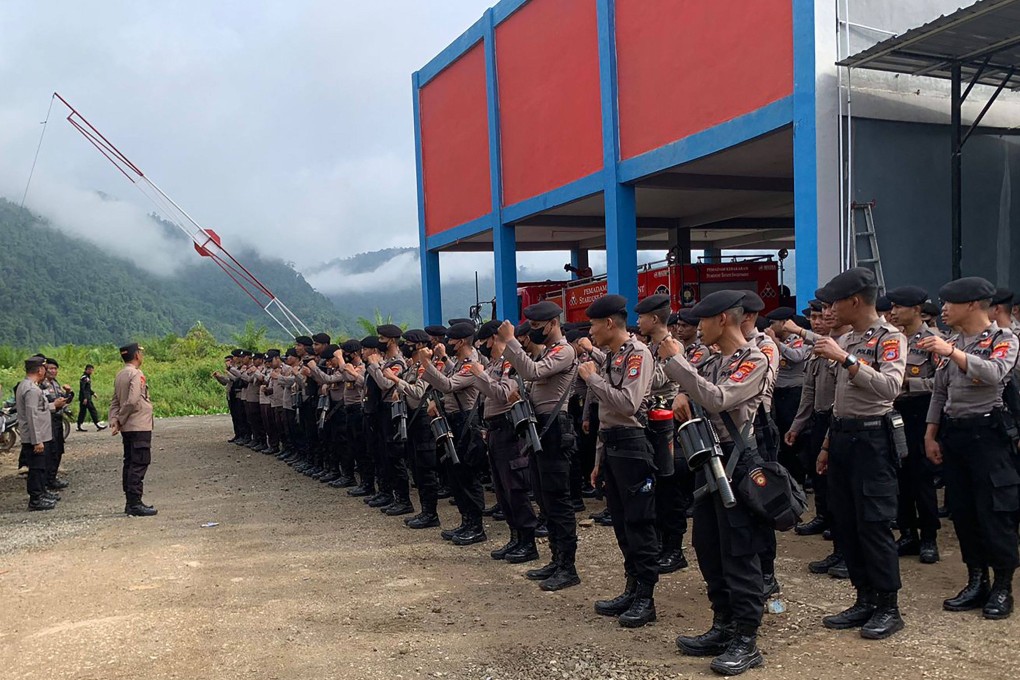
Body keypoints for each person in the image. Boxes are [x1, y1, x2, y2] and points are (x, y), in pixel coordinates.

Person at [660, 290, 770, 675]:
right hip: (708, 460)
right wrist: (680, 392)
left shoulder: (755, 358)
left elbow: (719, 398)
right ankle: (722, 623)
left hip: (737, 464)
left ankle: (746, 637)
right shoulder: (709, 360)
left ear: (722, 319)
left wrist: (676, 361)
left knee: (739, 551)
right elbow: (692, 390)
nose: (697, 328)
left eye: (703, 321)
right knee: (707, 546)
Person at [813, 267, 907, 640]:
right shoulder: (848, 338)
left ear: (854, 301)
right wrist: (826, 445)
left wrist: (847, 360)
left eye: (834, 302)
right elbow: (840, 402)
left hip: (873, 440)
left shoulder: (890, 338)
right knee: (847, 522)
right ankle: (864, 598)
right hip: (843, 438)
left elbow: (889, 387)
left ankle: (888, 606)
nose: (830, 309)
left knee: (873, 522)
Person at [923, 277, 1019, 620]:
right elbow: (939, 392)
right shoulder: (950, 342)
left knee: (995, 512)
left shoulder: (1003, 339)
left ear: (974, 304)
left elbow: (994, 373)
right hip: (956, 436)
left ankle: (1002, 585)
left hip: (989, 437)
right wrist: (930, 434)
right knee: (964, 513)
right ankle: (976, 580)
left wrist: (953, 352)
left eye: (951, 303)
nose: (944, 308)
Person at [579, 294, 657, 627]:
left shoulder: (637, 354)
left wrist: (591, 378)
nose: (591, 332)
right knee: (623, 525)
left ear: (610, 323)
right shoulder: (614, 356)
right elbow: (606, 414)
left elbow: (627, 403)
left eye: (594, 325)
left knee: (639, 523)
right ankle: (631, 586)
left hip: (633, 446)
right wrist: (598, 460)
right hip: (612, 446)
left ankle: (646, 597)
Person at [498, 301, 580, 591]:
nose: (532, 332)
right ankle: (556, 560)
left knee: (558, 500)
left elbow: (532, 371)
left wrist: (509, 341)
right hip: (538, 427)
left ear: (552, 324)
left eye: (536, 327)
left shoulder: (564, 351)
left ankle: (568, 567)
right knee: (544, 498)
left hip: (555, 428)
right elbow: (532, 380)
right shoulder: (548, 352)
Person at [469, 320, 540, 562]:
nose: (481, 347)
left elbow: (504, 395)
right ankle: (515, 538)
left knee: (515, 487)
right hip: (494, 431)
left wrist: (480, 376)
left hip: (510, 429)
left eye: (483, 342)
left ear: (492, 339)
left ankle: (528, 542)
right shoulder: (493, 365)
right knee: (502, 489)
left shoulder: (511, 364)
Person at [634, 294, 689, 575]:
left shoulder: (671, 347)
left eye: (642, 317)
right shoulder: (650, 348)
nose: (638, 322)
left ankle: (674, 548)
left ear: (654, 319)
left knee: (670, 487)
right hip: (651, 423)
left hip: (667, 423)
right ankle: (658, 543)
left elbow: (657, 380)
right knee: (654, 486)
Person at [886, 286, 941, 565]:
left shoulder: (933, 341)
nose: (893, 312)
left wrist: (910, 383)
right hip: (894, 411)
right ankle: (907, 532)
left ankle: (929, 535)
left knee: (921, 476)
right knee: (899, 474)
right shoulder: (890, 339)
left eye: (899, 307)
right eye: (892, 307)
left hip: (921, 409)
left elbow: (942, 384)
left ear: (917, 310)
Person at [108, 343, 157, 517]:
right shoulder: (136, 374)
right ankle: (135, 503)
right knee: (139, 462)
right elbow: (132, 400)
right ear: (137, 355)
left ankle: (131, 501)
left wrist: (114, 419)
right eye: (141, 354)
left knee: (129, 462)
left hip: (128, 428)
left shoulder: (120, 374)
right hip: (138, 425)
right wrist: (120, 419)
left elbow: (115, 400)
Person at [18, 356, 62, 511]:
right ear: (40, 369)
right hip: (36, 437)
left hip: (41, 435)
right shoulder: (31, 389)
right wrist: (37, 441)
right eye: (44, 368)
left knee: (41, 466)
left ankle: (42, 492)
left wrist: (53, 406)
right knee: (36, 468)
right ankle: (36, 499)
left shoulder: (31, 386)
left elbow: (39, 409)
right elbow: (32, 415)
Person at [42, 358, 73, 491]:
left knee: (58, 450)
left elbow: (64, 401)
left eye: (55, 369)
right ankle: (46, 481)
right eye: (50, 368)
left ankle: (52, 478)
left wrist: (68, 393)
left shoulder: (55, 383)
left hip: (58, 420)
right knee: (50, 451)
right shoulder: (41, 385)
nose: (53, 371)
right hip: (47, 420)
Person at [77, 364, 106, 432]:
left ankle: (79, 425)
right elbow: (83, 389)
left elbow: (88, 389)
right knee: (92, 410)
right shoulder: (84, 378)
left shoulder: (87, 377)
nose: (91, 371)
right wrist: (85, 398)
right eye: (90, 370)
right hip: (85, 398)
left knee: (82, 412)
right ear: (87, 370)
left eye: (92, 370)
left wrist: (93, 393)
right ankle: (97, 424)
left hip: (86, 397)